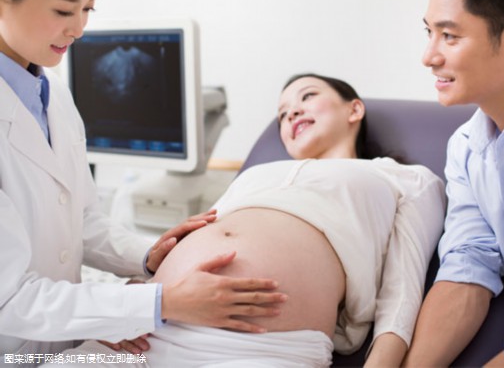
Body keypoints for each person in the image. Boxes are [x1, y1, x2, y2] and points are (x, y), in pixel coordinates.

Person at [50, 74, 447, 367]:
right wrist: (126, 302)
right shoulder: (260, 172)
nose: (292, 112)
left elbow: (403, 293)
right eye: (282, 113)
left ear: (354, 109)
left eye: (307, 97)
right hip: (144, 332)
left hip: (255, 347)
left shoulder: (402, 178)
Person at [0, 0, 288, 363]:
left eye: (89, 9)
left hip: (65, 345)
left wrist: (147, 255)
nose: (79, 29)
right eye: (65, 11)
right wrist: (156, 303)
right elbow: (9, 298)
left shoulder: (55, 98)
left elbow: (81, 221)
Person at [403, 0, 504, 367]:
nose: (429, 56)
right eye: (429, 33)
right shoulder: (465, 147)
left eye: (450, 35)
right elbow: (468, 264)